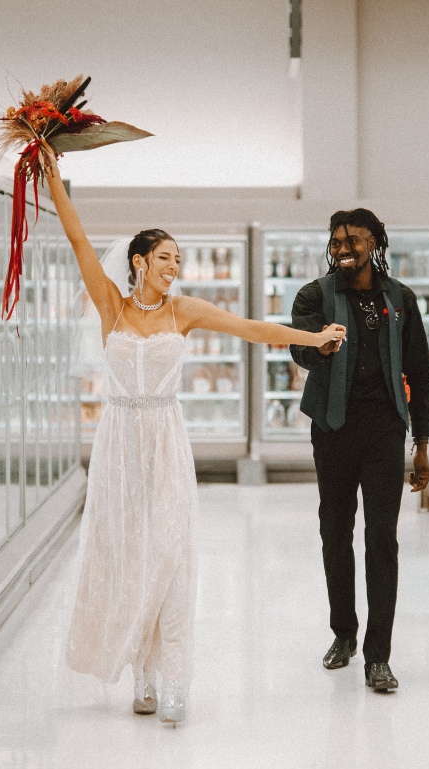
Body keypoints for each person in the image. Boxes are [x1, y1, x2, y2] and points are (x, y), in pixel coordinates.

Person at [39, 147, 347, 725]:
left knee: (170, 554)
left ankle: (175, 677)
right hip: (120, 442)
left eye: (176, 258)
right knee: (127, 554)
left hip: (165, 437)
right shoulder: (111, 307)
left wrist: (309, 339)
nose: (173, 266)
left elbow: (252, 327)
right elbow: (78, 242)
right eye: (163, 257)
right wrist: (55, 181)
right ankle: (143, 676)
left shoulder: (185, 310)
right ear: (136, 262)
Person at [289, 209, 429, 692]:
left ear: (376, 241)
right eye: (335, 241)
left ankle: (379, 656)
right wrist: (318, 347)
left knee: (382, 539)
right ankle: (343, 635)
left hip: (385, 431)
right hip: (332, 427)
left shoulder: (401, 299)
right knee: (335, 531)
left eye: (352, 239)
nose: (343, 247)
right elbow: (299, 348)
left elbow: (420, 371)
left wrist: (422, 442)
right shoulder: (315, 295)